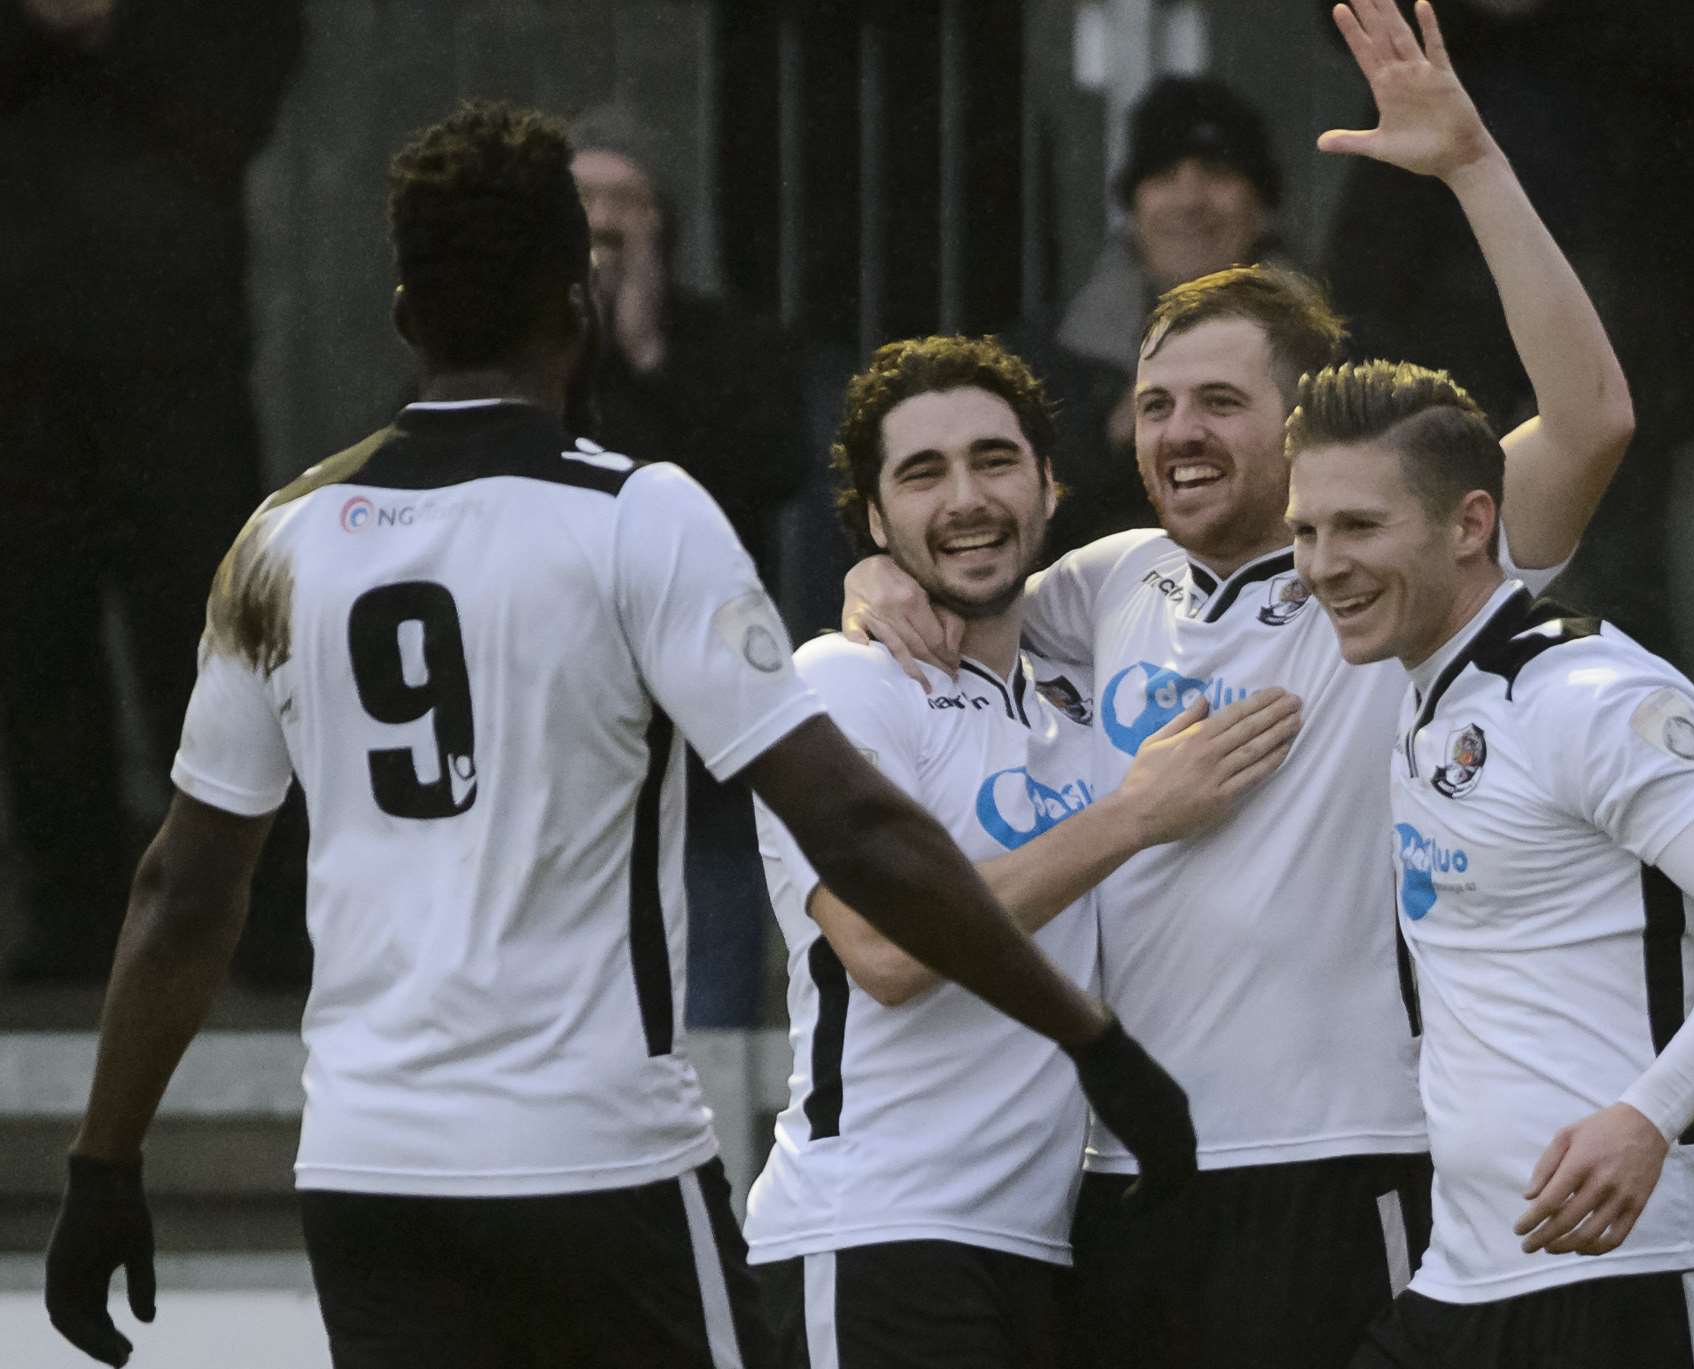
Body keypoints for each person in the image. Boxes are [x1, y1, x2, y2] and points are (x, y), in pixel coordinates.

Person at [39, 103, 1197, 1369]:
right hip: (594, 1155)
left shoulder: (284, 539)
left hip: (370, 1168)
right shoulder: (634, 514)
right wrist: (1091, 1037)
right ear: (576, 299)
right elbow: (858, 827)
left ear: (403, 312)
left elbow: (183, 888)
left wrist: (104, 1160)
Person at [844, 3, 1633, 1363]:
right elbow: (942, 601)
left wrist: (1470, 168)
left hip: (1341, 1163)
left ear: (1305, 416)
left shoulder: (1394, 577)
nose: (1177, 431)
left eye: (1216, 401)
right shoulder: (1098, 584)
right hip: (1116, 1180)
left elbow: (1591, 421)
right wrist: (882, 585)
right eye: (1153, 405)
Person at [746, 336, 1302, 1368]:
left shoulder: (1080, 697)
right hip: (873, 1237)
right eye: (922, 474)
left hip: (1046, 1251)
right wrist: (1130, 817)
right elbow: (887, 950)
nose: (966, 498)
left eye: (994, 461)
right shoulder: (837, 682)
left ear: (1049, 486)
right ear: (874, 519)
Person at [1283, 357, 1694, 1368]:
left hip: (1640, 1268)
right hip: (1466, 1275)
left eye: (1359, 526)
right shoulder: (1422, 696)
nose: (1324, 563)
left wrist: (1650, 1115)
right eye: (1307, 530)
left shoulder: (1584, 688)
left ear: (1469, 524)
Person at [1319, 0, 1694, 660]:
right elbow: (1342, 20)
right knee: (1419, 520)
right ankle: (1440, 742)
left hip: (1630, 253)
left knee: (1622, 555)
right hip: (1432, 262)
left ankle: (1632, 745)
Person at [0, 0, 305, 982]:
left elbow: (239, 101)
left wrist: (104, 30)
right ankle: (75, 911)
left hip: (176, 348)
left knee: (213, 641)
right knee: (36, 639)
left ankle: (247, 913)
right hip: (19, 352)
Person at [569, 101, 811, 1029]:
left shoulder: (733, 345)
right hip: (576, 705)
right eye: (581, 198)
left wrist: (644, 353)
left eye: (621, 196)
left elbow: (765, 472)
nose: (604, 221)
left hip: (703, 703)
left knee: (710, 984)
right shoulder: (516, 360)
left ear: (660, 216)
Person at [1034, 73, 1291, 557]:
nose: (1190, 200)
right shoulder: (1053, 360)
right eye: (1164, 177)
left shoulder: (1339, 349)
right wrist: (1106, 443)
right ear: (1131, 208)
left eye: (1217, 174)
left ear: (1263, 204)